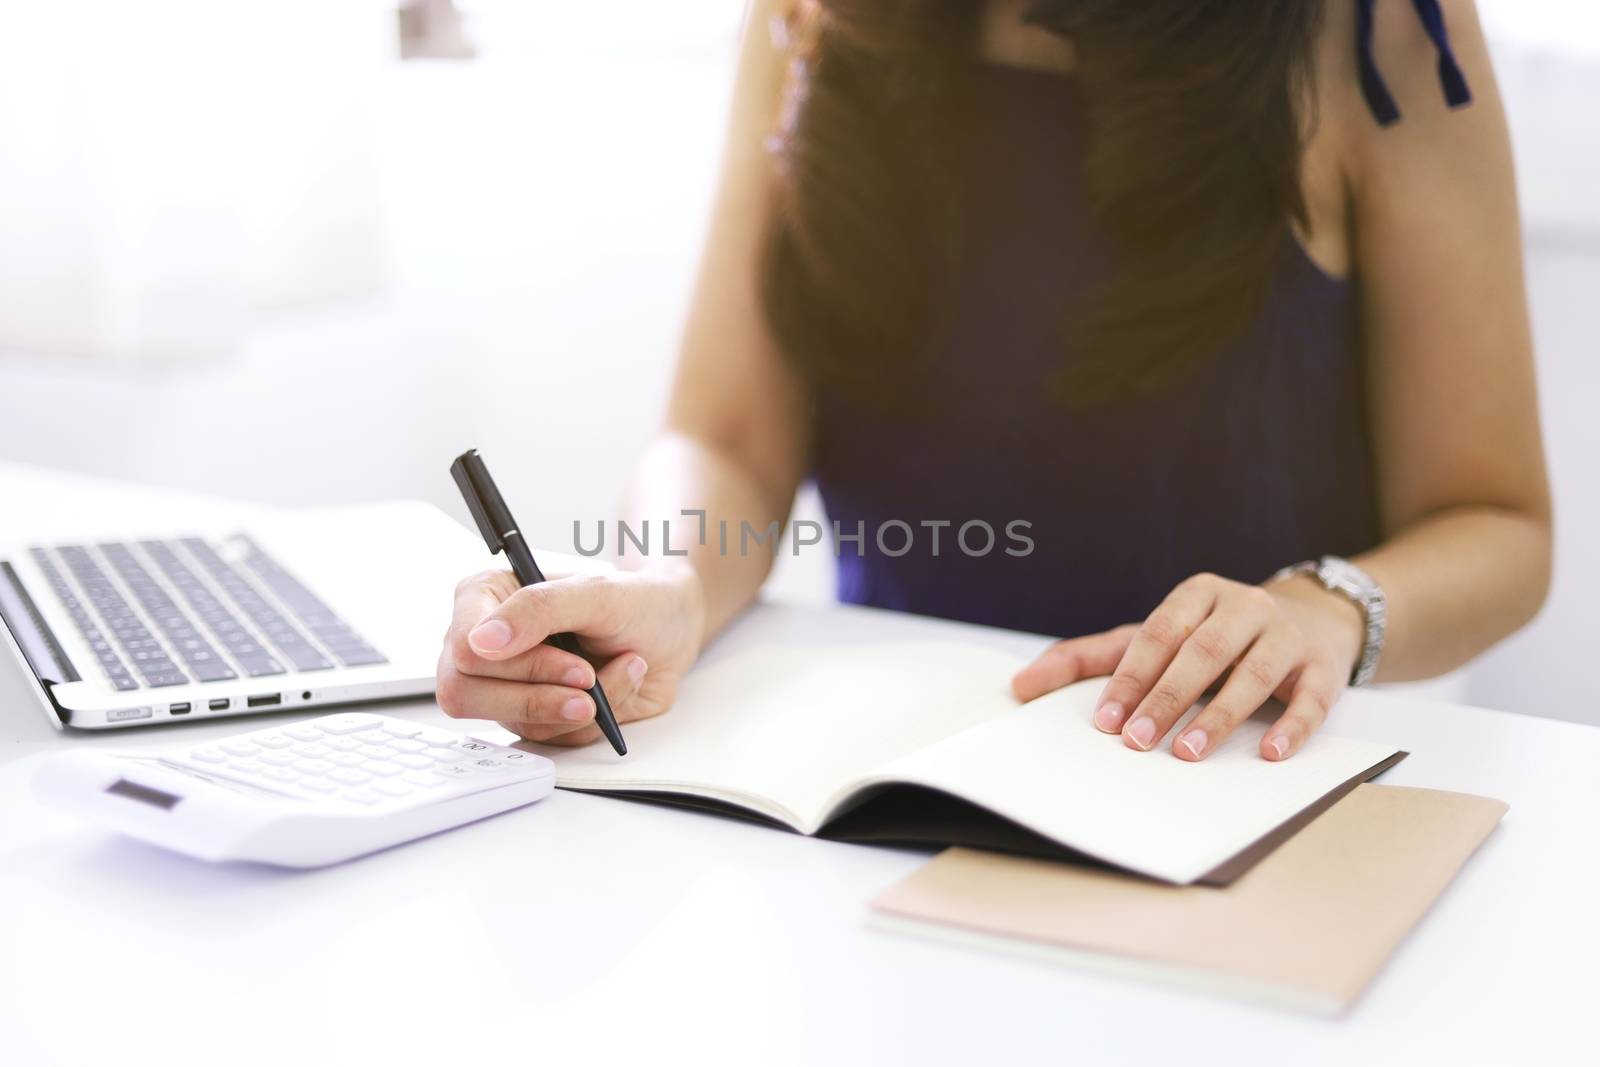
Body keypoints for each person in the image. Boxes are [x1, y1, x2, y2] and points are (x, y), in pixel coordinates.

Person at [437, 0, 1551, 762]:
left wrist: (1323, 611)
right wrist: (666, 586)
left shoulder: (1384, 37)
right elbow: (727, 436)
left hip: (1237, 777)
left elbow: (1496, 523)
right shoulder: (814, 21)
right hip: (896, 767)